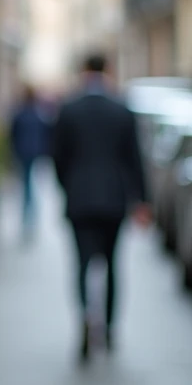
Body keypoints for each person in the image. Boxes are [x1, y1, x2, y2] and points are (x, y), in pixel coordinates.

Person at [51, 52, 149, 362]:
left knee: (82, 264)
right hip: (114, 200)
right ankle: (108, 328)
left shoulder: (69, 109)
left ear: (83, 71)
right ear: (107, 70)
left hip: (80, 199)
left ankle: (84, 316)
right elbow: (135, 158)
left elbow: (57, 157)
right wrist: (142, 200)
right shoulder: (121, 109)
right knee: (112, 265)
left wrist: (68, 186)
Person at [9, 84, 53, 238]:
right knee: (31, 183)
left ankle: (28, 215)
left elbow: (12, 135)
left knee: (27, 184)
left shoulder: (19, 114)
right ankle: (31, 215)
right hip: (35, 153)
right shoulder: (39, 114)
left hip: (22, 153)